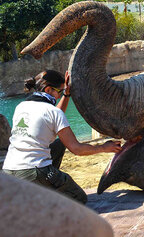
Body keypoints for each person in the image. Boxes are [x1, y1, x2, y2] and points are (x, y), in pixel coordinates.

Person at [2, 70, 122, 204]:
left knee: (59, 144)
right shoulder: (53, 112)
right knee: (78, 198)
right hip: (34, 172)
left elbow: (53, 116)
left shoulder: (21, 107)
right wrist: (104, 147)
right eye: (59, 92)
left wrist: (66, 94)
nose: (59, 96)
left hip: (9, 172)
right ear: (48, 90)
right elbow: (76, 149)